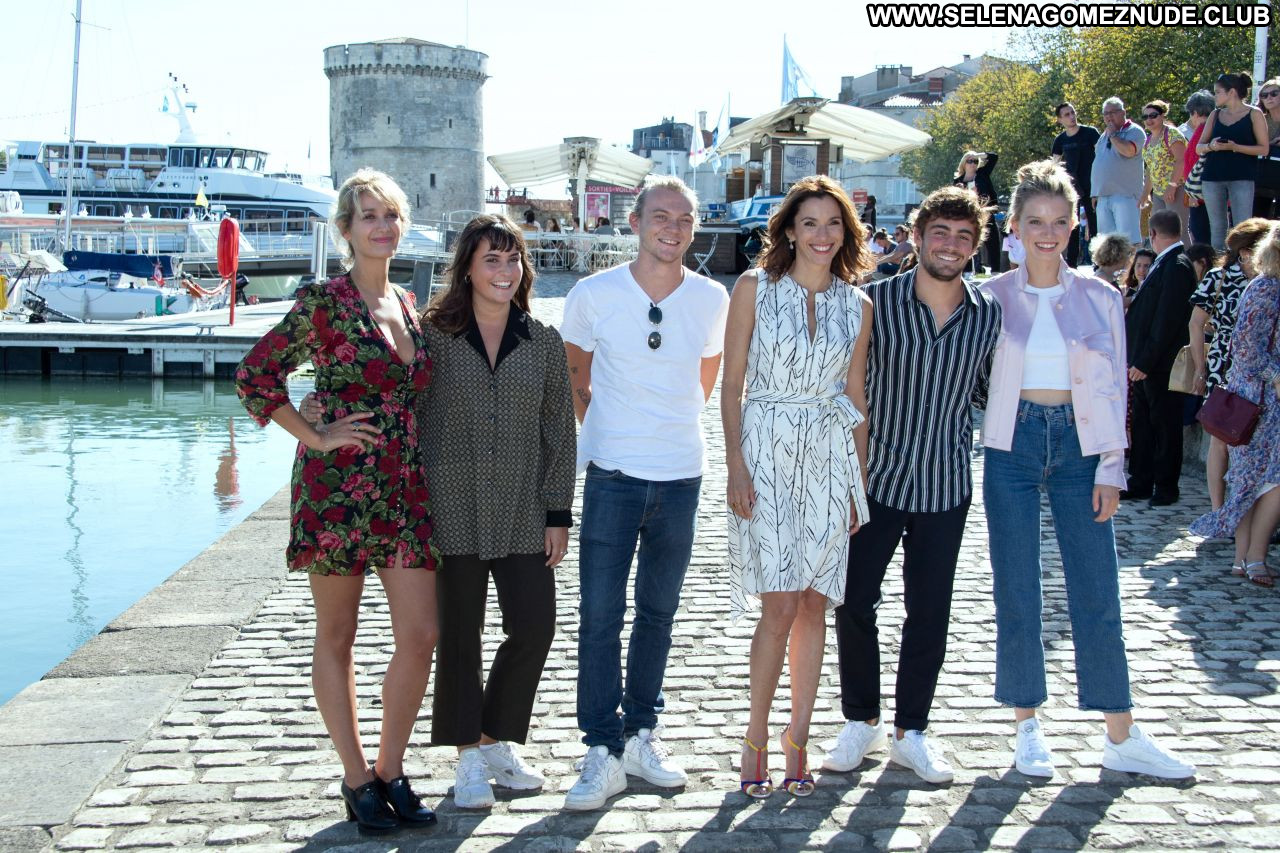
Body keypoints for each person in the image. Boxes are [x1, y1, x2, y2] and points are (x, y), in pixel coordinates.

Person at [235, 169, 439, 834]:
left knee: (421, 635)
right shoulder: (323, 303)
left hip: (405, 489)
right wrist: (315, 434)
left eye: (391, 214)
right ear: (346, 229)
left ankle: (390, 768)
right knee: (338, 634)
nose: (382, 226)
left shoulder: (407, 303)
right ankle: (356, 778)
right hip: (338, 491)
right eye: (368, 216)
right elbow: (256, 374)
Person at [980, 158, 1195, 781]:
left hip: (1082, 447)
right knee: (1017, 588)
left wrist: (1112, 468)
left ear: (1075, 225)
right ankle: (1026, 725)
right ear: (1015, 226)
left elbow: (1114, 391)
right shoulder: (990, 297)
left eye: (1058, 221)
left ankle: (1120, 733)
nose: (1047, 232)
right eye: (1034, 221)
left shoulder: (1102, 298)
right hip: (1011, 445)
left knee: (1097, 589)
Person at [560, 176, 730, 810]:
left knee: (659, 614)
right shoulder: (593, 294)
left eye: (684, 219)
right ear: (634, 223)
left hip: (681, 476)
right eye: (661, 216)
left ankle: (641, 735)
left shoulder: (712, 298)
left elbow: (705, 380)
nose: (673, 228)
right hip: (612, 476)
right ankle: (601, 747)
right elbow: (575, 375)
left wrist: (664, 425)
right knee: (600, 616)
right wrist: (614, 427)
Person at [824, 186, 1001, 784]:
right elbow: (843, 388)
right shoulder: (873, 303)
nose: (950, 245)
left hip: (945, 483)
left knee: (929, 612)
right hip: (876, 479)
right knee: (854, 602)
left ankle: (912, 731)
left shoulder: (988, 315)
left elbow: (987, 391)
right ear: (918, 236)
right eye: (940, 233)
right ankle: (861, 720)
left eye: (963, 237)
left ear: (974, 246)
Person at [721, 176, 873, 798]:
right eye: (809, 222)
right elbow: (732, 386)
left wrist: (858, 483)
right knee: (780, 603)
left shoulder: (858, 305)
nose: (821, 234)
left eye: (833, 223)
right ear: (788, 229)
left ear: (847, 233)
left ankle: (799, 740)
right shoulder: (754, 288)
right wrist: (735, 464)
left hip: (831, 459)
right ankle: (755, 736)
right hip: (766, 452)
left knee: (815, 602)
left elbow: (856, 397)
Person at [416, 215, 575, 807]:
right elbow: (399, 405)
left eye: (513, 260)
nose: (504, 271)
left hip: (521, 507)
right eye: (492, 260)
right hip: (450, 505)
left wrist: (558, 513)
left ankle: (492, 739)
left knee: (534, 627)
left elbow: (559, 430)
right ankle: (466, 758)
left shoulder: (542, 342)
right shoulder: (432, 337)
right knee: (460, 634)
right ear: (467, 268)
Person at [1192, 221, 1280, 586]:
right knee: (1257, 482)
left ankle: (1248, 557)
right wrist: (1276, 376)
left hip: (1265, 401)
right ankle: (1249, 557)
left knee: (1263, 482)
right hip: (1259, 403)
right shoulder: (1266, 287)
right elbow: (1245, 349)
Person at [1124, 209, 1197, 507]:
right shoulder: (1164, 263)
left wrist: (1145, 361)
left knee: (1165, 427)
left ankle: (1166, 486)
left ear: (1153, 234)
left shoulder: (1177, 266)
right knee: (1143, 425)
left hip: (1161, 365)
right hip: (1145, 364)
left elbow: (1167, 320)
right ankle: (1140, 481)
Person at [1196, 72, 1270, 251]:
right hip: (1212, 177)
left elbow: (1264, 149)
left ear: (1231, 92)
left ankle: (1242, 263)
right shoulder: (1215, 114)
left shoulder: (1254, 113)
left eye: (1217, 92)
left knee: (1243, 228)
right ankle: (1219, 265)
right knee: (1217, 228)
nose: (1215, 96)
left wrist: (1235, 147)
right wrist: (1212, 146)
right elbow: (1199, 147)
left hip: (1242, 177)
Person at [1051, 102, 1101, 268]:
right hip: (1072, 189)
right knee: (1072, 225)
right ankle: (1071, 264)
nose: (1071, 117)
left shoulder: (1090, 133)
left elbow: (1102, 157)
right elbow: (1054, 166)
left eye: (1072, 112)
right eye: (1066, 114)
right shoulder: (1060, 140)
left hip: (1093, 187)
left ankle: (1099, 262)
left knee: (1095, 225)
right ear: (1059, 119)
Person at [1091, 97, 1146, 244]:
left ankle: (1132, 261)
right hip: (1103, 196)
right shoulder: (1104, 135)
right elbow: (1099, 163)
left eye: (1113, 112)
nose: (1109, 116)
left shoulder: (1134, 131)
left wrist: (1114, 135)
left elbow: (1129, 151)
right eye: (1106, 113)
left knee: (1128, 242)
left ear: (1123, 112)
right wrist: (1095, 193)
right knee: (1107, 243)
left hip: (1125, 195)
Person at [1140, 100, 1188, 244]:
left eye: (1153, 115)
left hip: (1177, 189)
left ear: (1162, 116)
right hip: (1158, 193)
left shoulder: (1172, 134)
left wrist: (1171, 187)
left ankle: (1186, 257)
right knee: (1159, 231)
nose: (1149, 120)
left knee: (1178, 231)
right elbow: (1150, 169)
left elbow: (1181, 161)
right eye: (1145, 117)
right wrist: (1145, 194)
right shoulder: (1148, 141)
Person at [953, 150, 1000, 274]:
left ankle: (996, 271)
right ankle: (967, 271)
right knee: (967, 242)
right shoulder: (958, 181)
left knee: (992, 243)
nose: (973, 163)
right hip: (968, 216)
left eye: (975, 161)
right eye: (969, 161)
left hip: (985, 213)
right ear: (964, 163)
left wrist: (977, 155)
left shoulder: (982, 174)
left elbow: (994, 157)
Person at [1182, 90, 1218, 246]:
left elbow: (1194, 161)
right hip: (1210, 194)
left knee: (1202, 241)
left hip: (1201, 196)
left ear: (1195, 112)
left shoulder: (1203, 130)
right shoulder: (1218, 126)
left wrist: (1193, 194)